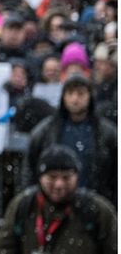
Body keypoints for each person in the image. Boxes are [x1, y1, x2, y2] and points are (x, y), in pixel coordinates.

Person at [0, 146, 117, 254]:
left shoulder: (97, 210)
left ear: (77, 177)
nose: (59, 185)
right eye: (52, 177)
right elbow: (3, 249)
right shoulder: (23, 205)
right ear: (40, 177)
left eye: (66, 178)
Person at [27, 74, 118, 204]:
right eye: (70, 93)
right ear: (63, 96)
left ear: (89, 96)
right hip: (53, 202)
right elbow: (31, 169)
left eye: (80, 94)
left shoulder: (107, 132)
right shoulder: (45, 130)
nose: (75, 99)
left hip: (95, 202)